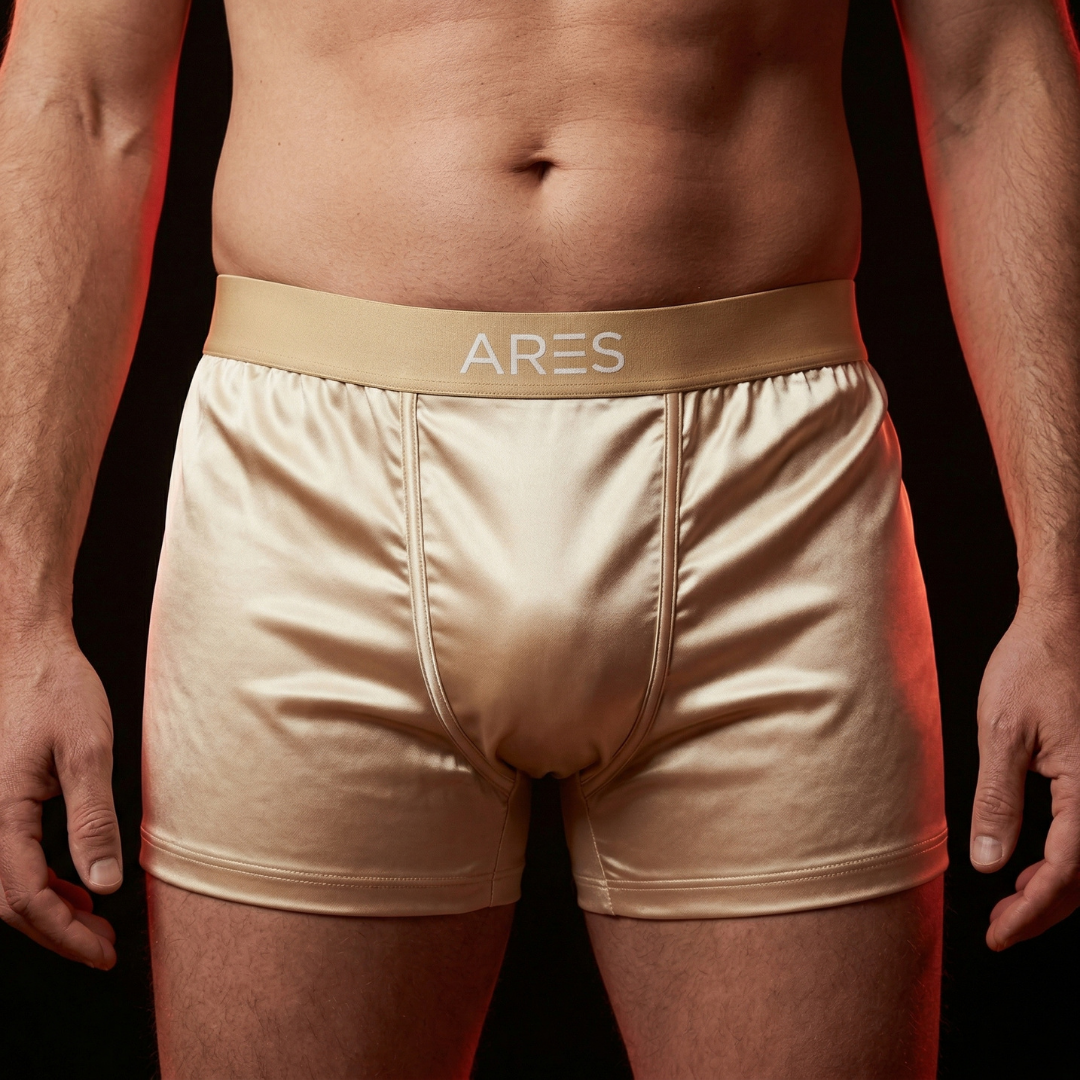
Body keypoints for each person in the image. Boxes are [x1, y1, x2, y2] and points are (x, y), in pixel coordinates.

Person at [1, 0, 1079, 1076]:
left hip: (768, 488)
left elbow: (996, 74)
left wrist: (1066, 601)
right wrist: (19, 622)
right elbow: (81, 97)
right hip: (308, 481)